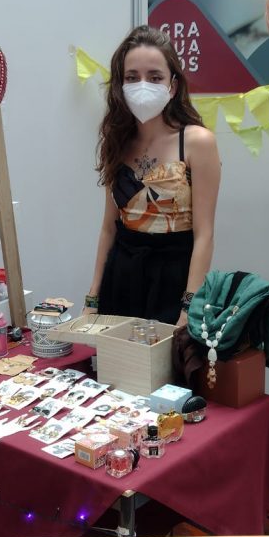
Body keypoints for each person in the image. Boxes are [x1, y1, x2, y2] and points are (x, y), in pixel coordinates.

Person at [85, 25, 220, 327]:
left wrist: (189, 307)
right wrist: (92, 299)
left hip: (174, 281)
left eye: (155, 77)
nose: (142, 85)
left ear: (172, 85)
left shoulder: (197, 142)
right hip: (121, 278)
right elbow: (108, 228)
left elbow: (205, 235)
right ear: (120, 84)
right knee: (112, 358)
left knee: (167, 359)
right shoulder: (116, 141)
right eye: (132, 77)